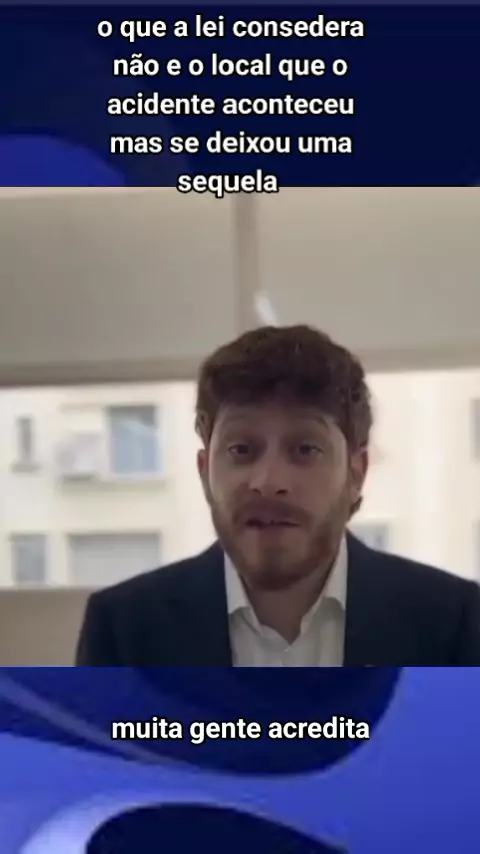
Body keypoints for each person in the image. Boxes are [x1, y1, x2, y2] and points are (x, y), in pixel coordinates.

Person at [76, 325, 480, 666]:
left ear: (356, 473)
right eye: (242, 450)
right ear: (204, 472)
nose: (268, 481)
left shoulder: (454, 623)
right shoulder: (123, 631)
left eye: (304, 449)